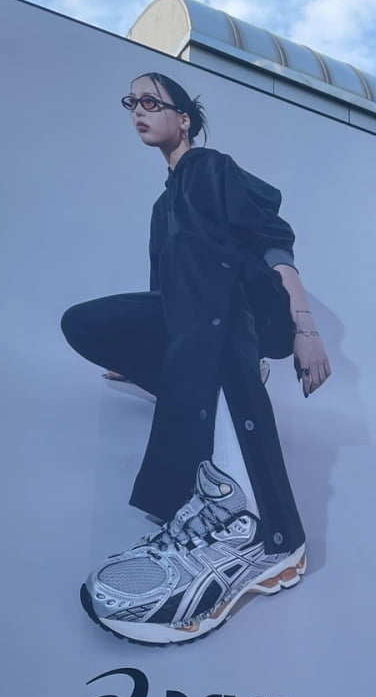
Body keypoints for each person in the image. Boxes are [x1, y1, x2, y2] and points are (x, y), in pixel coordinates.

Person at [60, 72, 330, 646]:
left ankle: (259, 536)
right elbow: (164, 296)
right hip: (194, 317)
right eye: (130, 101)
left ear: (182, 118)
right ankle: (202, 382)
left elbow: (273, 241)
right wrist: (140, 358)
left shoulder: (211, 169)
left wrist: (305, 329)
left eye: (151, 102)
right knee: (84, 323)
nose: (138, 110)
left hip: (243, 307)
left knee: (195, 271)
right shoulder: (162, 209)